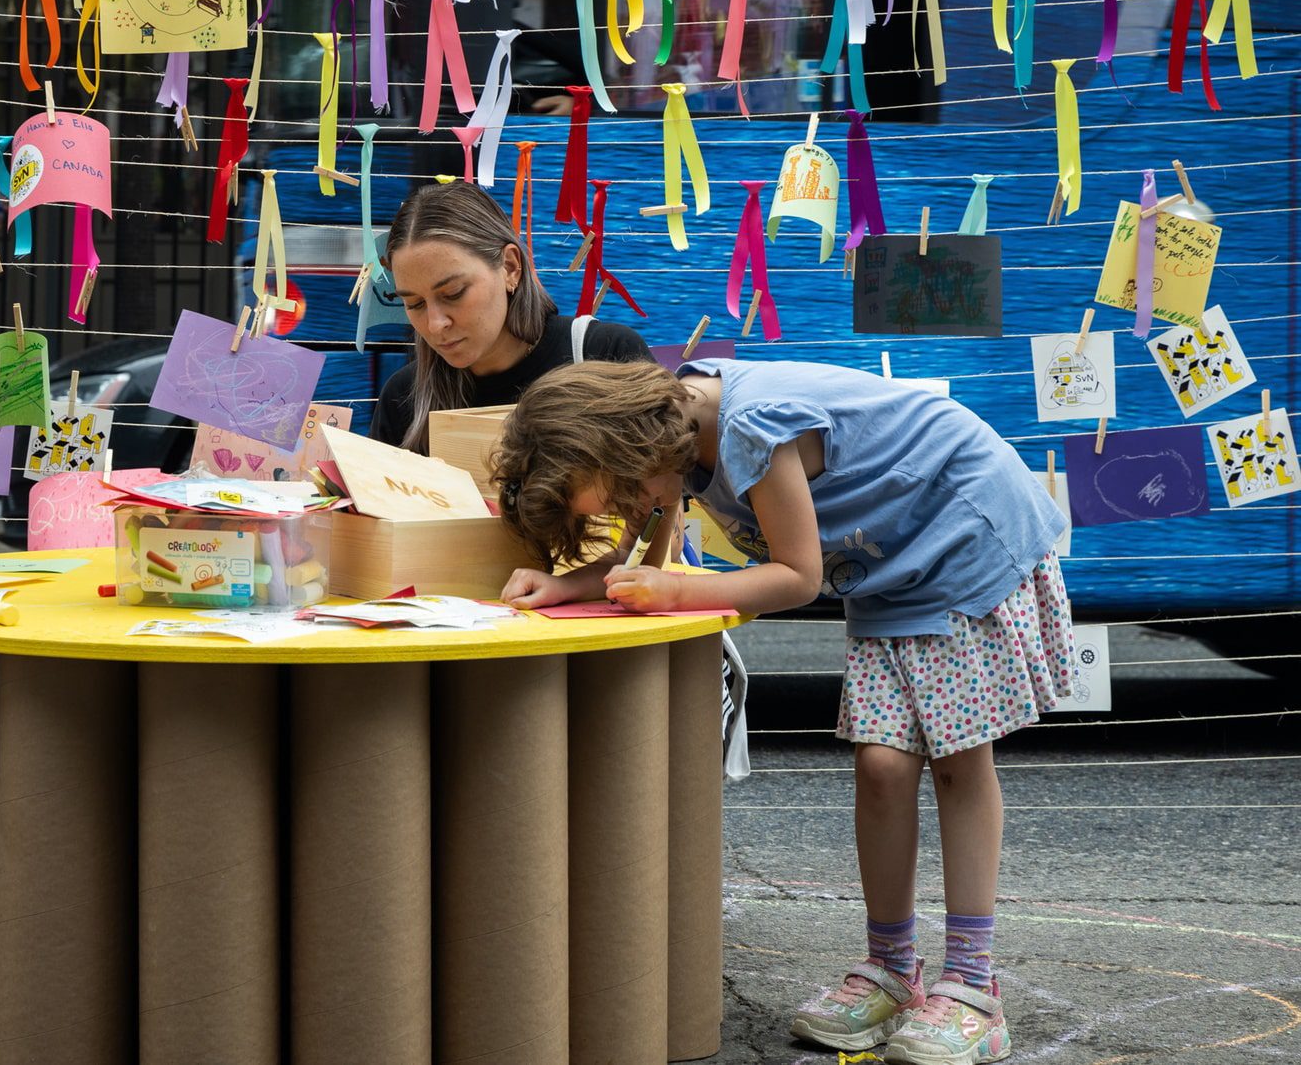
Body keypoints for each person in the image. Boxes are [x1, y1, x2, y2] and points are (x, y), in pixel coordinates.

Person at [492, 359, 1071, 1065]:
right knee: (884, 768)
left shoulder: (748, 429)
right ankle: (893, 969)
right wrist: (568, 582)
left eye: (623, 491)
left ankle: (974, 987)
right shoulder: (670, 431)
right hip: (895, 562)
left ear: (630, 449)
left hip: (964, 531)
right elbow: (641, 539)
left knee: (956, 763)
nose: (631, 505)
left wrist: (675, 593)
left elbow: (798, 578)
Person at [369, 180, 650, 453]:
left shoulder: (606, 354)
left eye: (453, 293)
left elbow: (668, 488)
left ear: (510, 266)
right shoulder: (402, 397)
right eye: (414, 303)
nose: (435, 324)